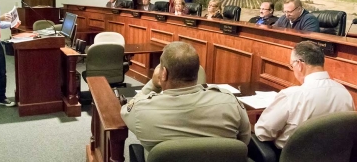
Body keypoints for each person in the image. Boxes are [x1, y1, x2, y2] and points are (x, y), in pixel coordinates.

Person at [121, 41, 251, 159]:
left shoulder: (142, 110)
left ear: (164, 73)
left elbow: (125, 112)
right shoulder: (229, 102)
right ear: (197, 71)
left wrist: (153, 85)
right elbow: (243, 141)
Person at [254, 41, 355, 150]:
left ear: (299, 64)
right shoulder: (344, 93)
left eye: (292, 66)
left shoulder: (292, 95)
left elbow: (262, 133)